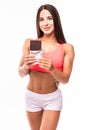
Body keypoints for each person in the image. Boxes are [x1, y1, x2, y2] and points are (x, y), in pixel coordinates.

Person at [18, 4, 75, 130]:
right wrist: (26, 65)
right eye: (41, 19)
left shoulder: (67, 48)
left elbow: (65, 79)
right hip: (31, 97)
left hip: (52, 99)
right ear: (38, 23)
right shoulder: (30, 43)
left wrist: (52, 69)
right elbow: (21, 73)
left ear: (56, 20)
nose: (46, 23)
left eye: (49, 18)